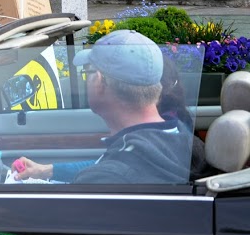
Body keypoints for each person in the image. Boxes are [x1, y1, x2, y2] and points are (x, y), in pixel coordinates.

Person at [13, 31, 192, 184]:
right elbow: (106, 162)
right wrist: (45, 171)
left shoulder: (107, 180)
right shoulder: (179, 137)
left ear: (99, 82)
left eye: (88, 72)